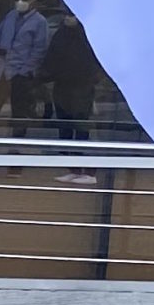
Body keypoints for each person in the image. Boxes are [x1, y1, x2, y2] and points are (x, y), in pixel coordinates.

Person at [43, 16, 102, 184]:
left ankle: (89, 172)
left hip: (82, 87)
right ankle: (73, 169)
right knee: (65, 128)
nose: (68, 18)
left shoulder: (88, 35)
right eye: (66, 15)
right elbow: (51, 58)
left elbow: (96, 61)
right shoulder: (61, 34)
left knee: (82, 128)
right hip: (62, 87)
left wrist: (91, 80)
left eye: (71, 15)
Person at [0, 0, 52, 138]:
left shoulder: (39, 22)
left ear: (33, 1)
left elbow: (39, 49)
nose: (20, 2)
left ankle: (16, 143)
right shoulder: (10, 16)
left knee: (19, 110)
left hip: (21, 72)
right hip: (2, 68)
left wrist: (25, 70)